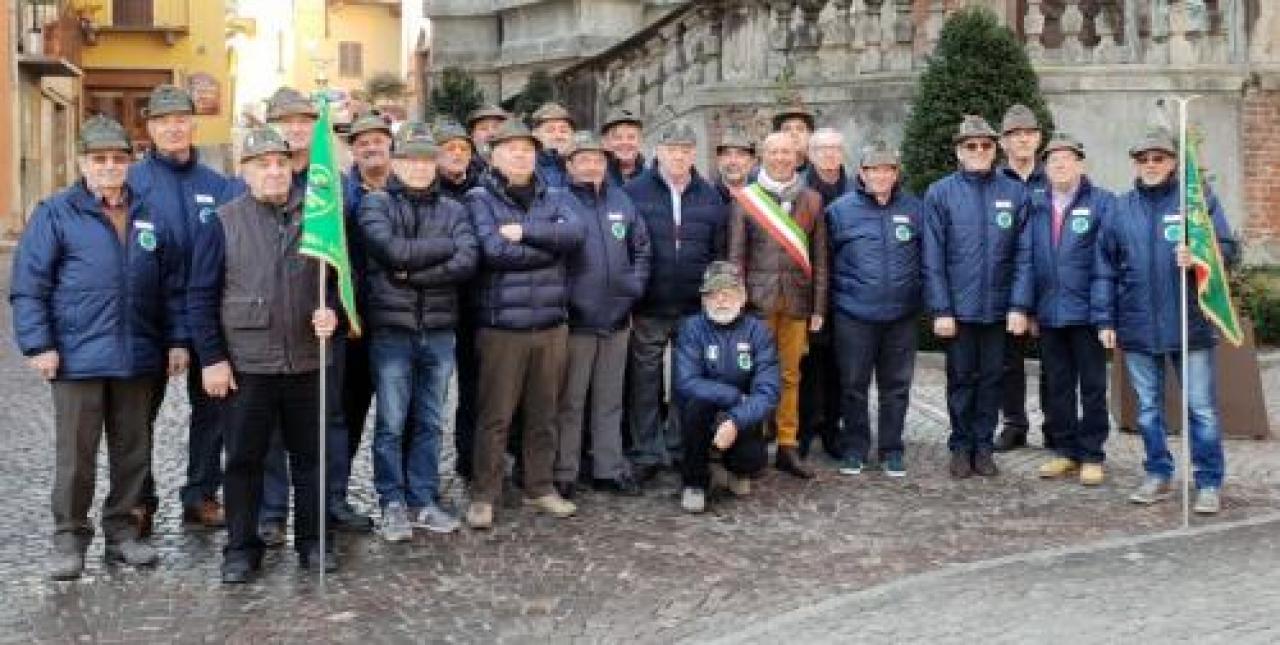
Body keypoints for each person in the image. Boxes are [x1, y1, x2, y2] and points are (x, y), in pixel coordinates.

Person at [10, 115, 185, 580]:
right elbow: (29, 285)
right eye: (99, 159)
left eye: (118, 158)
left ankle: (124, 533)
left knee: (133, 451)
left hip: (138, 356)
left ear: (130, 162)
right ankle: (69, 537)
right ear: (83, 162)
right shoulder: (55, 213)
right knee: (76, 456)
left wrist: (176, 341)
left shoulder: (150, 212)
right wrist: (39, 344)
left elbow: (173, 287)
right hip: (76, 356)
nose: (109, 167)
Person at [188, 127, 339, 583]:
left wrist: (332, 313)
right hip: (246, 365)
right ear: (245, 172)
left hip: (307, 360)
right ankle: (241, 548)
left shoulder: (320, 220)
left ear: (292, 166)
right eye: (262, 164)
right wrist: (212, 360)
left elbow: (337, 284)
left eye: (280, 162)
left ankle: (314, 543)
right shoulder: (224, 221)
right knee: (243, 462)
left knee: (312, 461)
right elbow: (199, 297)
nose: (274, 171)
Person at [1093, 128, 1237, 515]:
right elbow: (1103, 269)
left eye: (1159, 158)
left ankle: (1208, 481)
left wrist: (1201, 256)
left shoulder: (1196, 201)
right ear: (1135, 164)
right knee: (1148, 410)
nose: (1151, 165)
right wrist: (1105, 319)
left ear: (1173, 162)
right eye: (1143, 159)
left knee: (1201, 409)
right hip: (1138, 325)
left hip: (1190, 324)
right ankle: (1158, 473)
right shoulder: (1119, 209)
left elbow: (1228, 249)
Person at [463, 120, 585, 529]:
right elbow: (494, 251)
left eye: (527, 149)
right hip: (503, 327)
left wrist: (527, 232)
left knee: (543, 413)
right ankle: (485, 495)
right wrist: (549, 248)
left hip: (551, 324)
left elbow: (577, 235)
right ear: (493, 155)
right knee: (495, 417)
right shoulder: (480, 198)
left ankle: (539, 487)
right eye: (511, 148)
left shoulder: (557, 194)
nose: (521, 155)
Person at [359, 122, 478, 540]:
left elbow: (467, 260)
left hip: (441, 330)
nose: (420, 167)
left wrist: (411, 274)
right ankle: (391, 500)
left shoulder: (455, 210)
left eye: (428, 160)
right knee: (391, 421)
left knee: (430, 420)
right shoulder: (375, 205)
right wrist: (438, 252)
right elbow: (391, 252)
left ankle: (422, 499)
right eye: (412, 159)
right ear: (396, 162)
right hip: (393, 330)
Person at [128, 84, 235, 533]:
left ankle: (201, 495)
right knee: (136, 419)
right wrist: (172, 332)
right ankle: (138, 500)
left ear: (194, 124)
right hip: (149, 323)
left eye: (181, 119)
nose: (173, 128)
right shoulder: (133, 183)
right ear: (150, 128)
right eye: (163, 121)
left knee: (212, 416)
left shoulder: (219, 185)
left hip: (209, 321)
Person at [922, 115, 1033, 479]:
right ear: (959, 151)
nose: (979, 151)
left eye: (985, 145)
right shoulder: (940, 193)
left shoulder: (1014, 193)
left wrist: (1019, 305)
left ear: (995, 149)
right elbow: (933, 257)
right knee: (960, 379)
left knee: (992, 380)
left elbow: (1024, 255)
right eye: (971, 146)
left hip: (1000, 310)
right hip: (958, 309)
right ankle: (960, 446)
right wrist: (940, 308)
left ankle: (983, 447)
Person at [623, 122, 729, 483]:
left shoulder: (710, 196)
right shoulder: (634, 191)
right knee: (645, 381)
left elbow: (719, 251)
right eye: (672, 149)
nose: (679, 156)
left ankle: (683, 446)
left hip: (693, 307)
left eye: (686, 149)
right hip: (649, 304)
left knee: (688, 381)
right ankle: (646, 450)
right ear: (659, 152)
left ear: (693, 153)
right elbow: (627, 249)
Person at [554, 132, 652, 499]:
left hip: (617, 318)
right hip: (576, 320)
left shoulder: (621, 200)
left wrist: (632, 289)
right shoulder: (558, 202)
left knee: (610, 399)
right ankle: (565, 470)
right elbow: (552, 258)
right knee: (571, 400)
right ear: (569, 164)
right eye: (583, 159)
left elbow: (641, 248)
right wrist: (567, 300)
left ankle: (607, 468)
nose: (591, 165)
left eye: (597, 158)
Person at [727, 132, 828, 479]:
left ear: (797, 157)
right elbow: (736, 256)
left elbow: (820, 259)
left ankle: (787, 445)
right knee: (752, 375)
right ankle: (752, 443)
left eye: (787, 152)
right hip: (756, 302)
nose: (781, 158)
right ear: (762, 157)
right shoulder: (745, 200)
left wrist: (818, 307)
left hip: (797, 303)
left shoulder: (812, 199)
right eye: (774, 152)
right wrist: (736, 301)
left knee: (790, 376)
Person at [826, 140, 922, 477]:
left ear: (896, 173)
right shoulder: (839, 211)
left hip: (901, 316)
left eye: (887, 169)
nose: (881, 175)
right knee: (853, 386)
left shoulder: (914, 209)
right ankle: (855, 448)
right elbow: (826, 263)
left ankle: (891, 449)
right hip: (854, 315)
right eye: (873, 170)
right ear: (862, 174)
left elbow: (926, 259)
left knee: (896, 387)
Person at [256, 86, 322, 546]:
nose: (296, 129)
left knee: (318, 427)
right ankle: (272, 511)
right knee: (269, 432)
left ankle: (322, 510)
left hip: (315, 324)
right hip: (264, 327)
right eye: (286, 122)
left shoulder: (326, 183)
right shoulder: (261, 174)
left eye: (304, 121)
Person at [1029, 133, 1114, 487]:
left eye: (1067, 158)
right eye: (1053, 160)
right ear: (1045, 167)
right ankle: (1065, 451)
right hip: (1049, 312)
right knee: (1058, 386)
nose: (1060, 165)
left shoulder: (1103, 203)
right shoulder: (1035, 203)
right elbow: (1027, 258)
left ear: (1081, 163)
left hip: (1086, 313)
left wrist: (1105, 314)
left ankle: (1092, 453)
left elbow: (1107, 262)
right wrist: (1029, 307)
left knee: (1093, 386)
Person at [673, 262, 780, 513]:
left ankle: (736, 469)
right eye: (713, 293)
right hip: (708, 408)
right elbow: (687, 382)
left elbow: (769, 390)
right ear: (703, 300)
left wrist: (735, 420)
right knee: (695, 407)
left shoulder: (759, 332)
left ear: (742, 297)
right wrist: (734, 397)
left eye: (729, 292)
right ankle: (695, 481)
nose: (721, 299)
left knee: (750, 460)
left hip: (742, 413)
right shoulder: (691, 328)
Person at [995, 103, 1053, 453]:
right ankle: (1014, 424)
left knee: (1054, 364)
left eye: (1028, 134)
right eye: (1014, 135)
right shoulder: (994, 182)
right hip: (1007, 287)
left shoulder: (1056, 178)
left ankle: (1056, 425)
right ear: (1003, 142)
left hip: (1050, 287)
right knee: (1008, 364)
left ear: (1039, 139)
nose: (1022, 141)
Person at [799, 127, 852, 461]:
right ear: (811, 153)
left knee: (839, 367)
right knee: (806, 366)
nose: (830, 155)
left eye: (835, 149)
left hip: (845, 292)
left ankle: (833, 429)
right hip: (807, 291)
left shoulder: (855, 188)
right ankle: (804, 431)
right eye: (822, 149)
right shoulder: (798, 190)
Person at [531, 102, 576, 188]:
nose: (558, 136)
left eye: (564, 131)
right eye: (550, 130)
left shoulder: (587, 166)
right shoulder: (526, 170)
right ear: (535, 134)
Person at [601, 108, 646, 186]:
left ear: (640, 141)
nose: (625, 142)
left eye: (631, 137)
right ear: (605, 143)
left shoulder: (651, 179)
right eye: (618, 138)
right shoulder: (595, 178)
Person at [713, 128, 756, 202]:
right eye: (727, 154)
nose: (733, 161)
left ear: (751, 161)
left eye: (741, 154)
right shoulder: (703, 197)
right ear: (719, 160)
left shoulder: (764, 199)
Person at [773, 105, 817, 177]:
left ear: (810, 135)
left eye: (800, 129)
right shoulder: (760, 174)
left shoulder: (822, 173)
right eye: (787, 129)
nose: (794, 133)